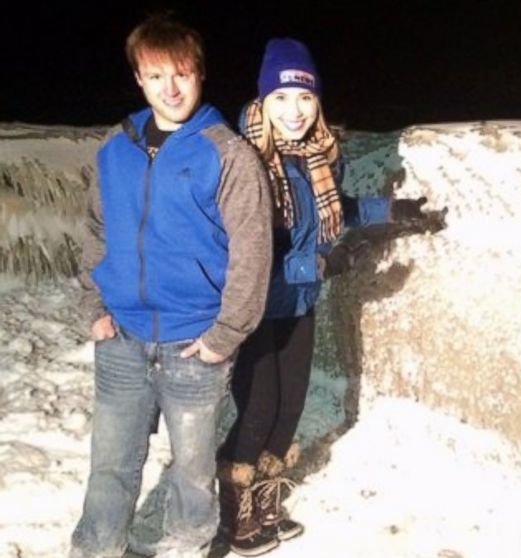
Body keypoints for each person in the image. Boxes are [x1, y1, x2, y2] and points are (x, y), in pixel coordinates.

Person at [215, 37, 434, 555]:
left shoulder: (318, 158)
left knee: (289, 407)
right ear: (263, 102)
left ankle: (265, 503)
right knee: (257, 409)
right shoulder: (246, 161)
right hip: (254, 307)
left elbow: (338, 210)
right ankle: (232, 511)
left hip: (300, 300)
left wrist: (394, 211)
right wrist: (320, 261)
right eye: (283, 98)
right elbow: (249, 248)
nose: (295, 111)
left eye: (306, 98)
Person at [71, 14, 273, 558]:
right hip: (122, 339)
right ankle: (95, 550)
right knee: (109, 466)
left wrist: (223, 335)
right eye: (156, 75)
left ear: (200, 74)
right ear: (139, 78)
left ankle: (186, 546)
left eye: (182, 73)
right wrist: (94, 306)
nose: (171, 87)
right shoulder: (116, 147)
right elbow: (96, 229)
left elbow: (253, 253)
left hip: (193, 345)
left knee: (192, 472)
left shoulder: (227, 154)